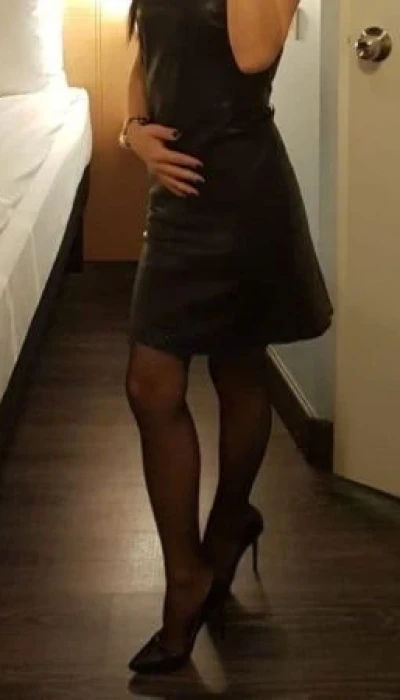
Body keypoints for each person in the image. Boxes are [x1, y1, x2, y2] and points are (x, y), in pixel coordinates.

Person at [120, 0, 333, 675]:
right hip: (176, 199)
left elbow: (249, 53)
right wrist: (133, 131)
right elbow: (143, 54)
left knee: (238, 369)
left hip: (243, 198)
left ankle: (231, 519)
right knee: (150, 385)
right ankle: (188, 575)